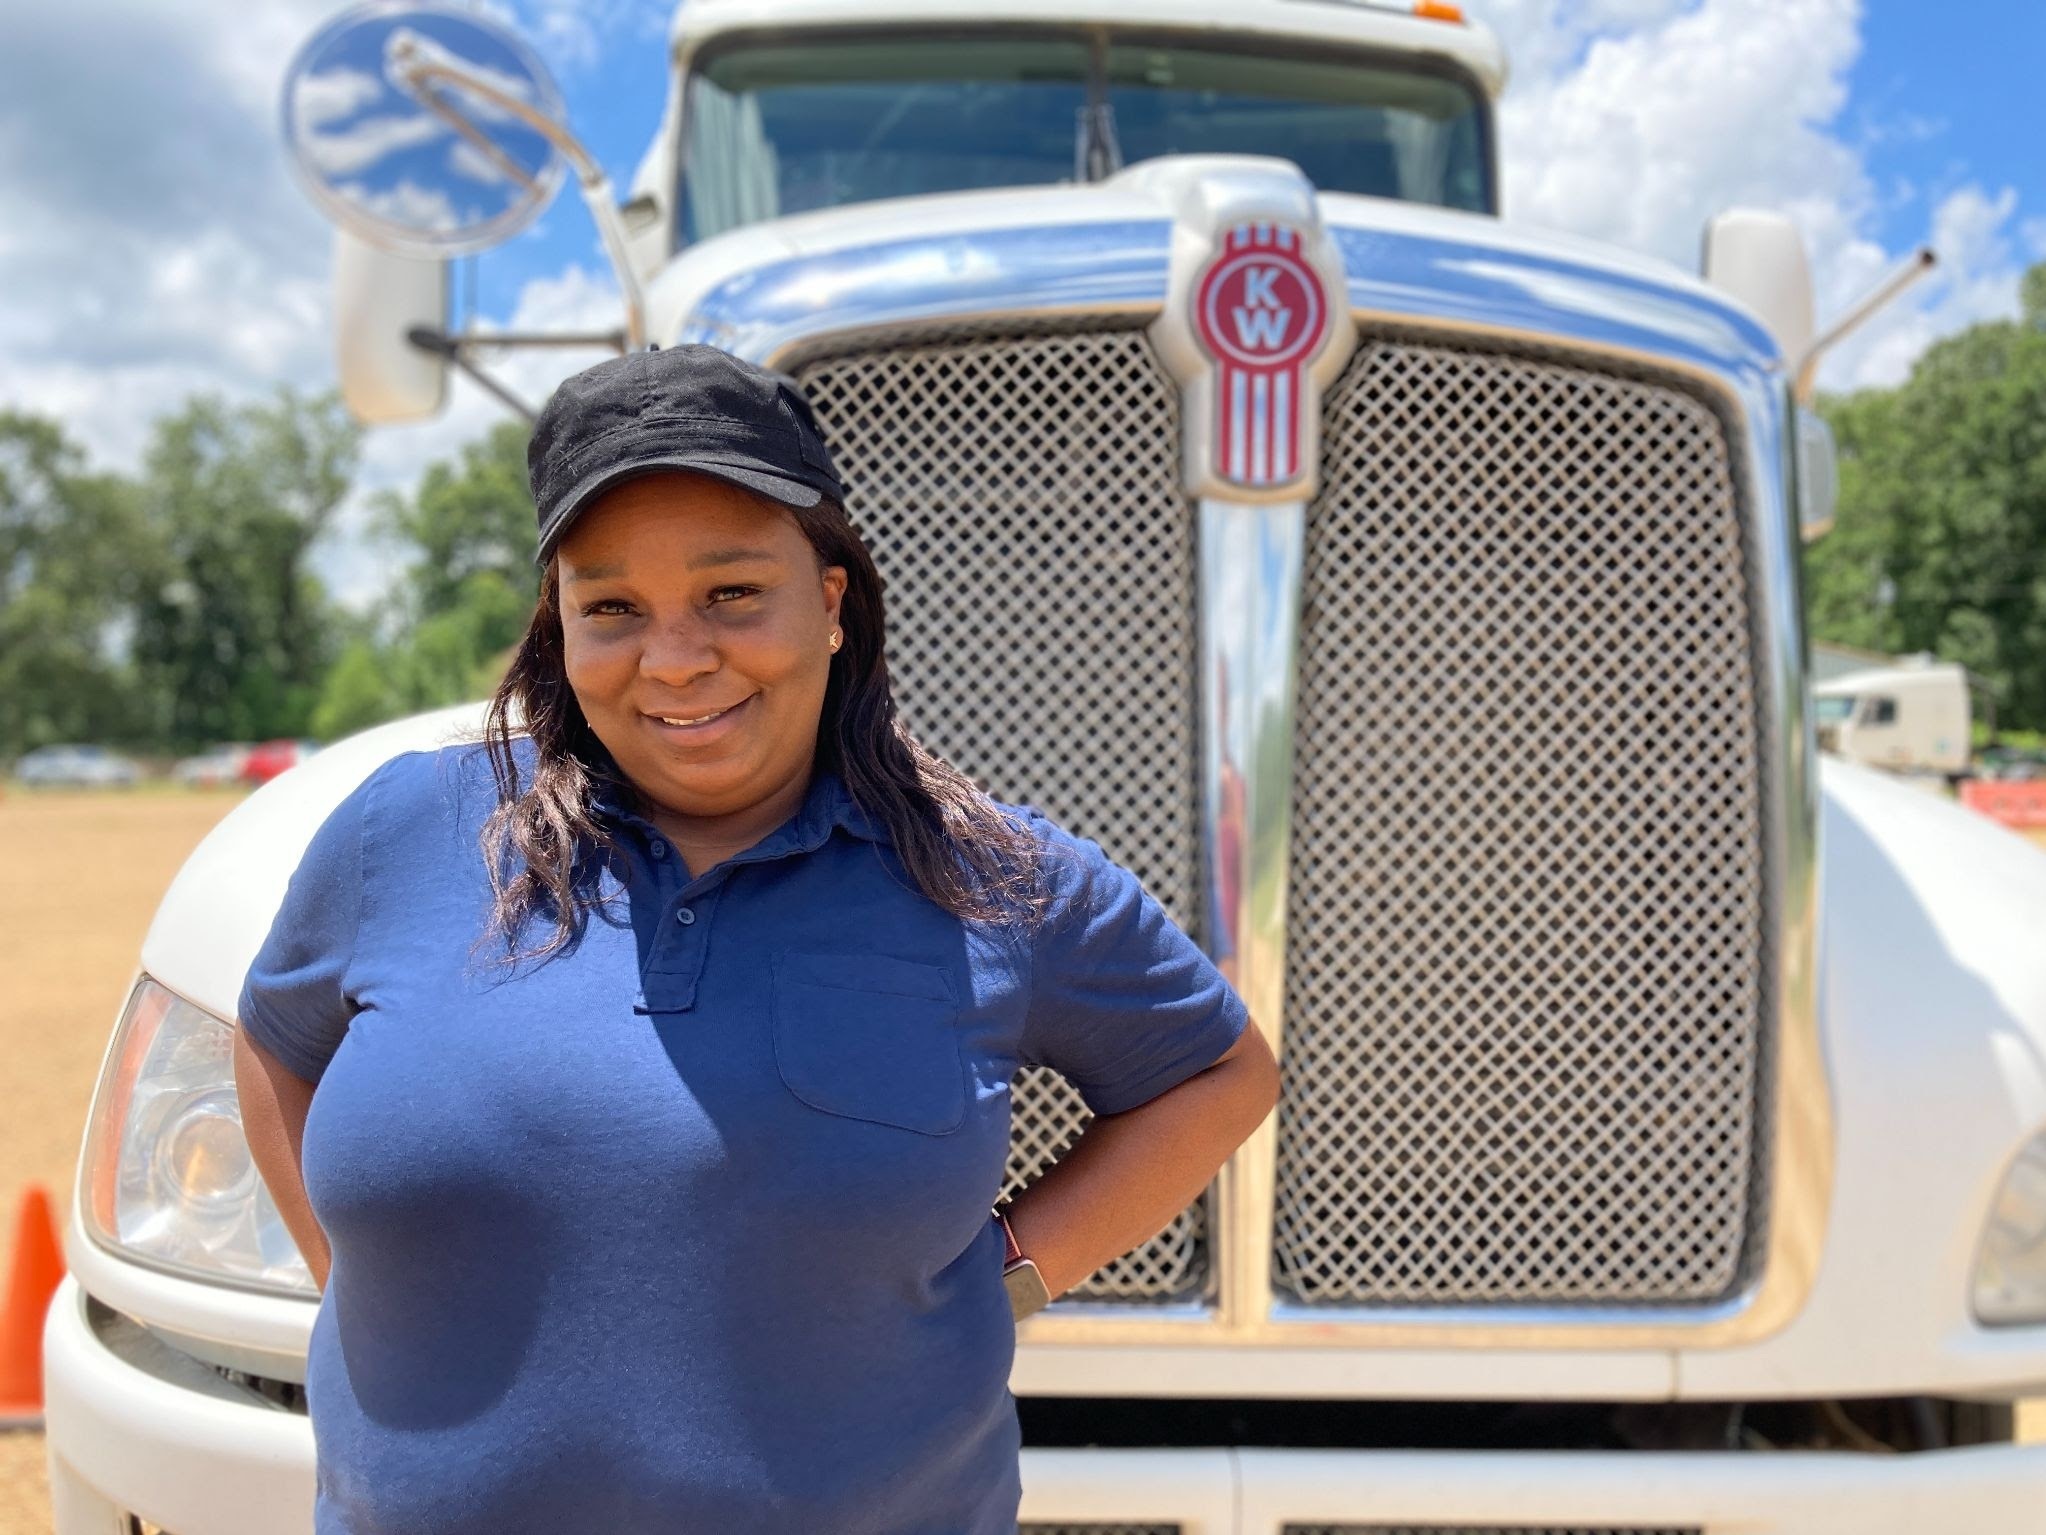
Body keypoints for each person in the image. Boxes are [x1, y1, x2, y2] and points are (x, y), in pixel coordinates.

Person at [232, 342, 1281, 1535]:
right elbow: (275, 1044)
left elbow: (1218, 1071)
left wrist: (1013, 1272)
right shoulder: (405, 832)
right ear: (558, 624)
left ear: (831, 599)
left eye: (733, 592)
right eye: (611, 606)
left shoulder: (988, 873)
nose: (675, 658)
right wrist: (358, 1287)